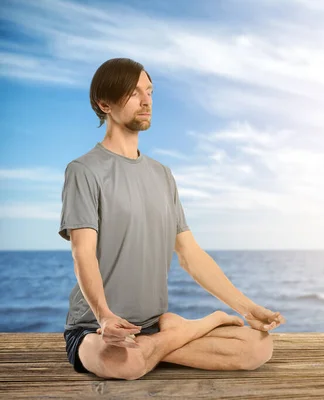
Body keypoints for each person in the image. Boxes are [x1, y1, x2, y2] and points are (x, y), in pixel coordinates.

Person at [59, 58, 286, 380]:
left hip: (152, 321)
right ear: (104, 103)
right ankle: (198, 326)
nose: (146, 100)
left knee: (259, 348)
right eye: (133, 92)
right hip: (96, 328)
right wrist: (105, 316)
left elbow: (190, 254)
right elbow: (82, 252)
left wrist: (248, 309)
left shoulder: (162, 175)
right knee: (126, 364)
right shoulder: (84, 170)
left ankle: (155, 345)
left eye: (149, 92)